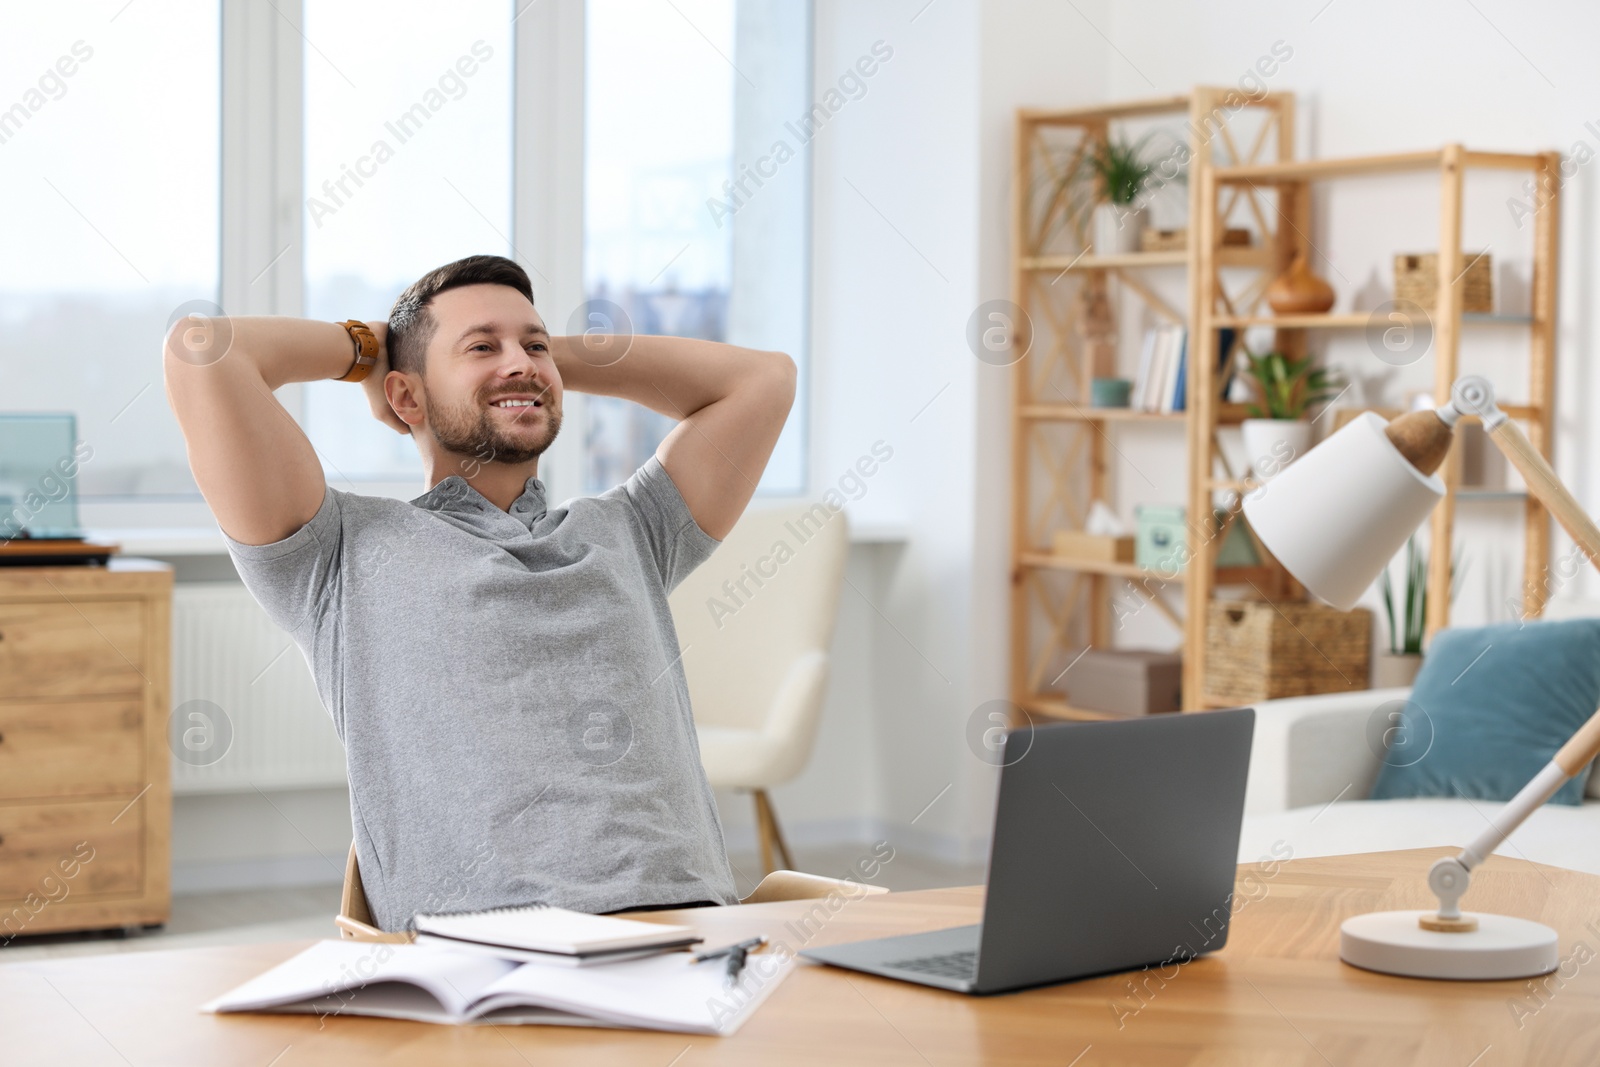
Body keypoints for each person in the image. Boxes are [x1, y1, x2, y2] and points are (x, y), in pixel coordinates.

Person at [162, 254, 796, 931]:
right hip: (487, 953)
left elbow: (765, 379)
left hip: (691, 933)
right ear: (406, 397)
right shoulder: (338, 550)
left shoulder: (630, 528)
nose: (520, 361)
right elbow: (201, 348)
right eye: (482, 346)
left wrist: (541, 366)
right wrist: (368, 350)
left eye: (534, 343)